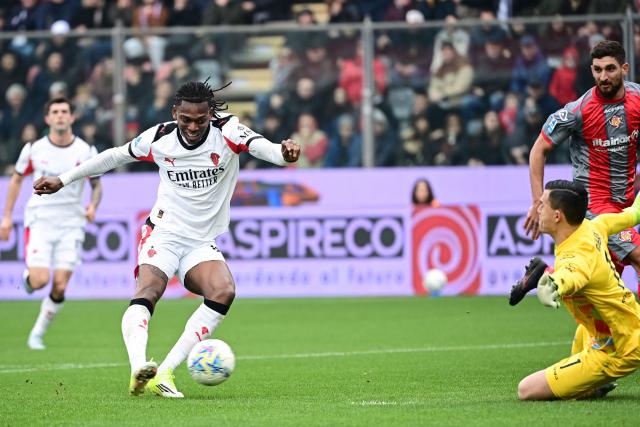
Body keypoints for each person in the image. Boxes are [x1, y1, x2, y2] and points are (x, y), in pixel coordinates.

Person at [33, 80, 300, 398]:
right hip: (164, 232)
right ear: (176, 112)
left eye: (200, 120)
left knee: (223, 290)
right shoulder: (159, 138)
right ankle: (137, 368)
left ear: (210, 115)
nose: (192, 126)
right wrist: (63, 180)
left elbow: (272, 153)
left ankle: (165, 372)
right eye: (185, 119)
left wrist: (286, 153)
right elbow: (113, 157)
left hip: (200, 241)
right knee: (149, 290)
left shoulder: (229, 133)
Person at [525, 40, 640, 283]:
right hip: (594, 208)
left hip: (626, 206)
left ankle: (546, 276)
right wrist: (538, 203)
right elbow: (538, 150)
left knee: (601, 296)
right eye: (597, 70)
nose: (603, 76)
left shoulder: (637, 100)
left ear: (624, 68)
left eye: (610, 69)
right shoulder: (578, 111)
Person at [517, 179, 640, 400]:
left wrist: (554, 284)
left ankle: (595, 383)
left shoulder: (576, 254)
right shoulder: (595, 226)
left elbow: (574, 274)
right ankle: (591, 384)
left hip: (619, 348)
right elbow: (634, 213)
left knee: (526, 390)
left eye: (542, 204)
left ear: (557, 216)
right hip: (621, 325)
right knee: (584, 326)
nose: (538, 208)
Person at [0, 97, 102, 350]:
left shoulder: (86, 151)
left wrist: (92, 206)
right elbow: (16, 180)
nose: (59, 115)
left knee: (60, 285)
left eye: (64, 111)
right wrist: (6, 216)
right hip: (41, 220)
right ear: (47, 119)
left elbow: (97, 185)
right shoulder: (34, 148)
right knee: (41, 280)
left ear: (72, 117)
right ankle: (29, 279)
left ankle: (37, 333)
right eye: (54, 112)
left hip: (72, 223)